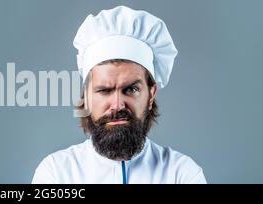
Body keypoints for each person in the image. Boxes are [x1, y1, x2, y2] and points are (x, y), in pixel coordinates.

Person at [32, 6, 207, 184]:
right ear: (87, 97)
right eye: (104, 90)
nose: (117, 105)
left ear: (151, 95)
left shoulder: (182, 174)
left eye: (131, 89)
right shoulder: (56, 173)